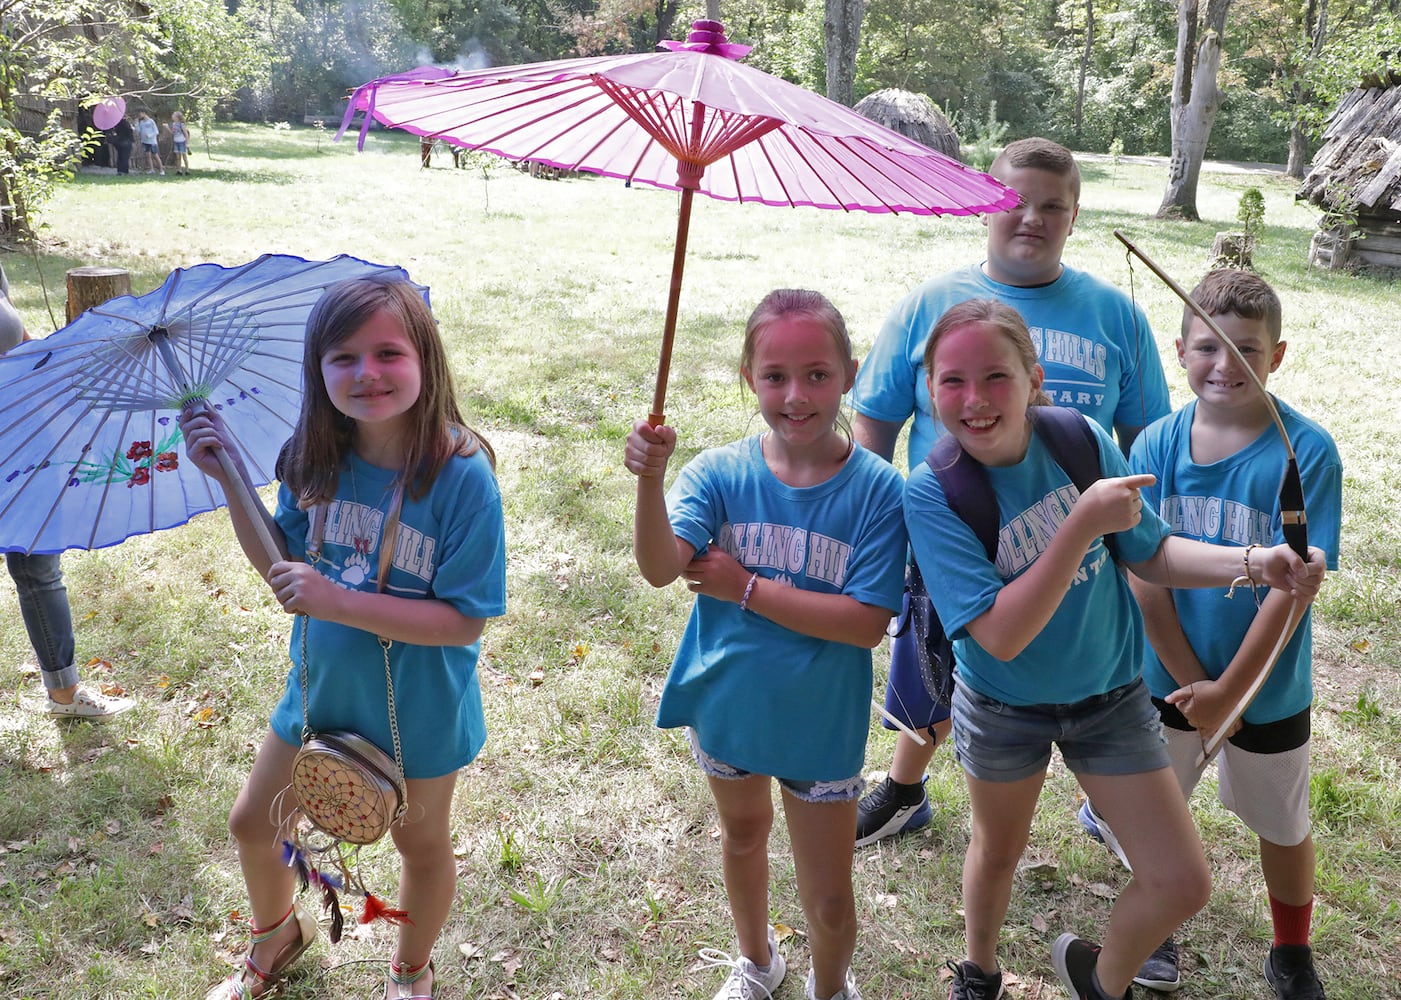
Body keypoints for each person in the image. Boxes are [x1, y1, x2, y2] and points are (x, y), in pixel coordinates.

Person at [905, 299, 1325, 1000]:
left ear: (1033, 379)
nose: (973, 401)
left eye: (995, 377)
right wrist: (1078, 523)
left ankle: (1099, 982)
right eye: (951, 381)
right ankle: (978, 969)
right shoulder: (932, 493)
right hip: (1002, 703)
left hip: (1107, 697)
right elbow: (1001, 636)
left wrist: (1255, 562)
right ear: (930, 390)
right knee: (997, 849)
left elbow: (1151, 552)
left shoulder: (1077, 441)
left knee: (1181, 880)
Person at [180, 277, 506, 1000]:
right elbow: (283, 571)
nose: (366, 373)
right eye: (343, 358)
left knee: (419, 846)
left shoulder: (460, 478)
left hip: (417, 708)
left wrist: (339, 600)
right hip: (319, 693)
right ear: (317, 370)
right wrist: (231, 479)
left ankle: (410, 970)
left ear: (425, 358)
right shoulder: (313, 457)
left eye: (388, 352)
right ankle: (276, 936)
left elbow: (464, 620)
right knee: (254, 825)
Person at [849, 137, 1171, 847]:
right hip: (959, 532)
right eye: (1012, 201)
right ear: (982, 204)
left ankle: (1115, 811)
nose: (1030, 217)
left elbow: (1143, 431)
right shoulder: (930, 303)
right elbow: (873, 420)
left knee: (1092, 683)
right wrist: (872, 532)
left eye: (1051, 206)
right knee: (932, 670)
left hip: (1082, 539)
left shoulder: (1114, 313)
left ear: (1074, 215)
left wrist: (1141, 521)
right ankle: (904, 788)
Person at [625, 289, 908, 1000]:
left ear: (849, 372)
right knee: (743, 838)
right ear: (748, 377)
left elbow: (864, 622)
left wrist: (744, 587)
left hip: (819, 727)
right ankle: (757, 962)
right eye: (774, 375)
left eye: (816, 374)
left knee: (830, 896)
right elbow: (662, 567)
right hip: (730, 709)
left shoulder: (878, 491)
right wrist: (651, 481)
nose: (796, 395)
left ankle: (828, 987)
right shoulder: (719, 474)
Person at [1085, 271, 1340, 999]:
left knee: (1281, 825)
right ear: (1178, 350)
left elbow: (1292, 592)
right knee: (1154, 809)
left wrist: (1228, 691)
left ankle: (1290, 950)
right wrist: (1186, 676)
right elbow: (1142, 573)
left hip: (1264, 687)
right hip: (1164, 680)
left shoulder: (1306, 454)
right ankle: (1157, 918)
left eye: (1246, 349)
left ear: (1277, 355)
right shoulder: (1156, 445)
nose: (1224, 365)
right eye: (1206, 346)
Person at [1, 261, 133, 719]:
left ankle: (63, 691)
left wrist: (54, 358)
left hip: (16, 427)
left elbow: (12, 333)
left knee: (37, 563)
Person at [135, 110, 163, 175]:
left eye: (140, 114)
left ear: (144, 113)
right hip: (145, 141)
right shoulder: (141, 122)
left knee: (155, 156)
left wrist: (150, 135)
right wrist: (136, 124)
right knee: (148, 156)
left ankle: (161, 170)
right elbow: (139, 130)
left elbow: (156, 131)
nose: (139, 116)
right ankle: (151, 169)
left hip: (152, 142)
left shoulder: (151, 121)